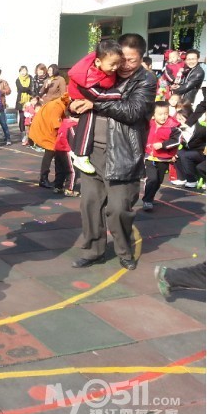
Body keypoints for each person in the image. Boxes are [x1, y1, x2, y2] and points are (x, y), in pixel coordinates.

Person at [70, 33, 156, 271]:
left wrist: (95, 103)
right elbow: (81, 93)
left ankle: (124, 251)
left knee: (119, 209)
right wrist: (72, 105)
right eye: (121, 60)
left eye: (131, 60)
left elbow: (132, 111)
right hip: (92, 149)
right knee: (90, 204)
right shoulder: (107, 70)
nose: (124, 65)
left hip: (123, 152)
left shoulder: (146, 80)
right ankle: (93, 251)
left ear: (141, 58)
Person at [67, 39, 124, 175]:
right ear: (98, 62)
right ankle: (81, 154)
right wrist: (120, 94)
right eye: (112, 64)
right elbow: (97, 95)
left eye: (118, 63)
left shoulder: (105, 66)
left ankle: (78, 151)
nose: (115, 68)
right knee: (89, 113)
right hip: (81, 98)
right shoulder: (87, 77)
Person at [141, 101, 182, 211]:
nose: (163, 116)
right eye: (160, 114)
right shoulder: (148, 124)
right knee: (152, 178)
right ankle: (147, 200)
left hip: (163, 158)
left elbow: (177, 141)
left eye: (166, 113)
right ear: (153, 115)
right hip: (149, 156)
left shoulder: (173, 127)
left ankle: (150, 196)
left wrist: (163, 145)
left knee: (158, 180)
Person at [28, 94, 70, 189]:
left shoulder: (58, 103)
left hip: (44, 128)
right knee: (51, 151)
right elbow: (56, 123)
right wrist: (65, 130)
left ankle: (55, 179)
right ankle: (44, 179)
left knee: (54, 153)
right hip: (46, 131)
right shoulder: (58, 106)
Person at [53, 111, 81, 197]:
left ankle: (58, 186)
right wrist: (73, 151)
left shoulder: (64, 123)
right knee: (72, 171)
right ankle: (69, 189)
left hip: (58, 149)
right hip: (67, 150)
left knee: (60, 169)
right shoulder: (72, 125)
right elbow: (73, 138)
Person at [14, 66, 33, 144]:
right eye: (21, 71)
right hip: (21, 102)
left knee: (30, 117)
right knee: (22, 118)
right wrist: (28, 88)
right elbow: (21, 89)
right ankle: (23, 133)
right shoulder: (18, 80)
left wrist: (27, 88)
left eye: (24, 70)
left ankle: (30, 134)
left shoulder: (31, 78)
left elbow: (31, 87)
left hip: (30, 100)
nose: (23, 72)